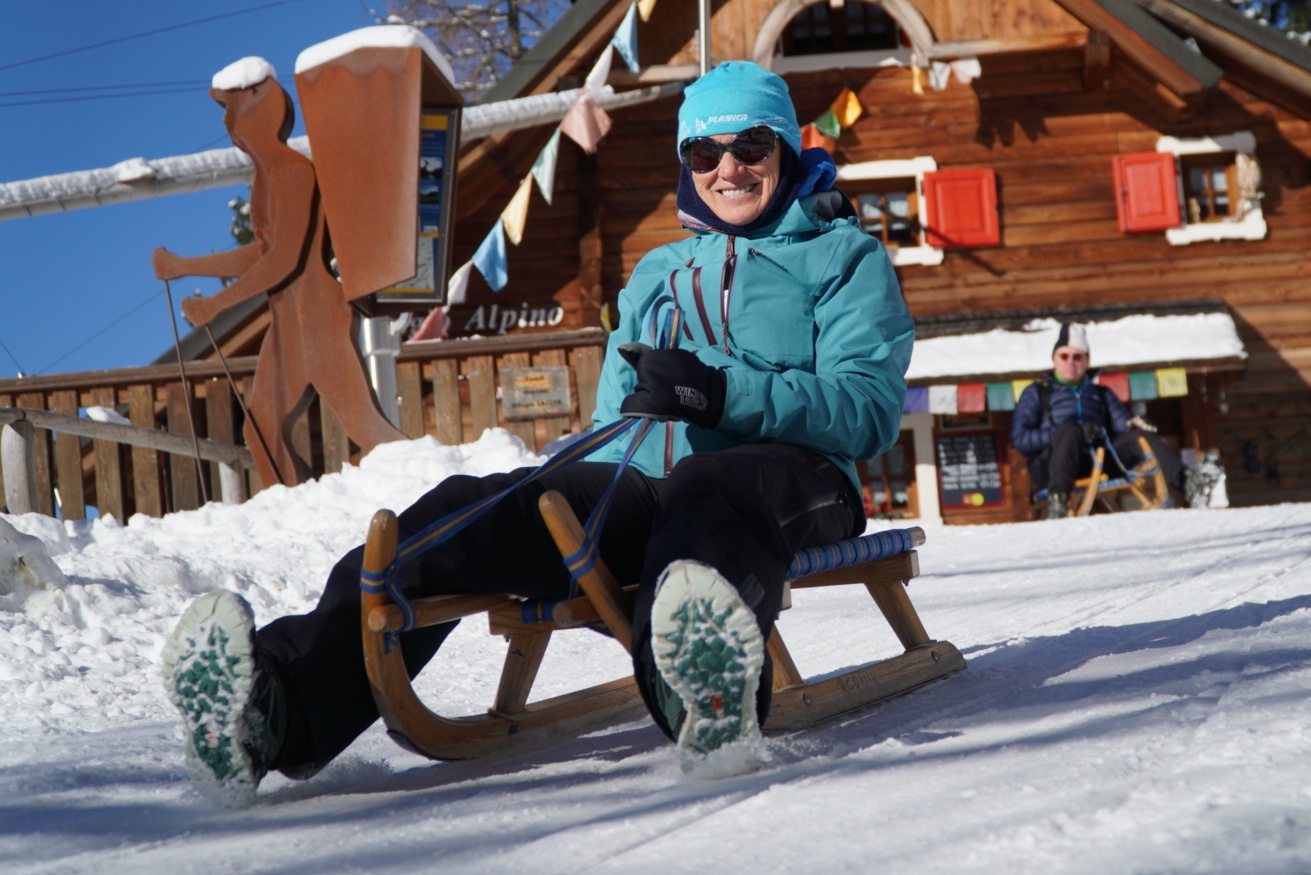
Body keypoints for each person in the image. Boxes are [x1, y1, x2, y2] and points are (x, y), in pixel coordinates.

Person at [161, 60, 914, 805]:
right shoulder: (657, 271)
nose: (728, 168)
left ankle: (701, 695)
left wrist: (721, 394)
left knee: (708, 484)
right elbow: (616, 414)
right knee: (477, 507)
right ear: (685, 163)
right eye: (703, 152)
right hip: (645, 479)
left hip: (792, 478)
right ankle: (275, 705)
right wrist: (569, 481)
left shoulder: (843, 257)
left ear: (784, 150)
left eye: (750, 146)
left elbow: (867, 410)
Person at [152, 58, 406, 488]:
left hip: (318, 319)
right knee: (262, 430)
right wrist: (184, 266)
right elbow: (262, 253)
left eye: (228, 106)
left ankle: (435, 483)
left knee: (366, 428)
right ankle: (291, 510)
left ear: (256, 106)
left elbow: (285, 258)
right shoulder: (265, 180)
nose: (226, 120)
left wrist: (217, 304)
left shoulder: (292, 171)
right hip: (290, 324)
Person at [1012, 323, 1191, 519]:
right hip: (1053, 467)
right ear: (1054, 360)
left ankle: (1188, 483)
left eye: (1078, 356)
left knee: (1140, 437)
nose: (1071, 361)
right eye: (1064, 356)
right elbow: (1021, 439)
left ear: (1087, 361)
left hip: (1100, 461)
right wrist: (1066, 433)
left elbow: (1122, 427)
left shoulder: (1101, 394)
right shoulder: (1038, 392)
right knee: (1069, 431)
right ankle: (1059, 501)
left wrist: (1133, 424)